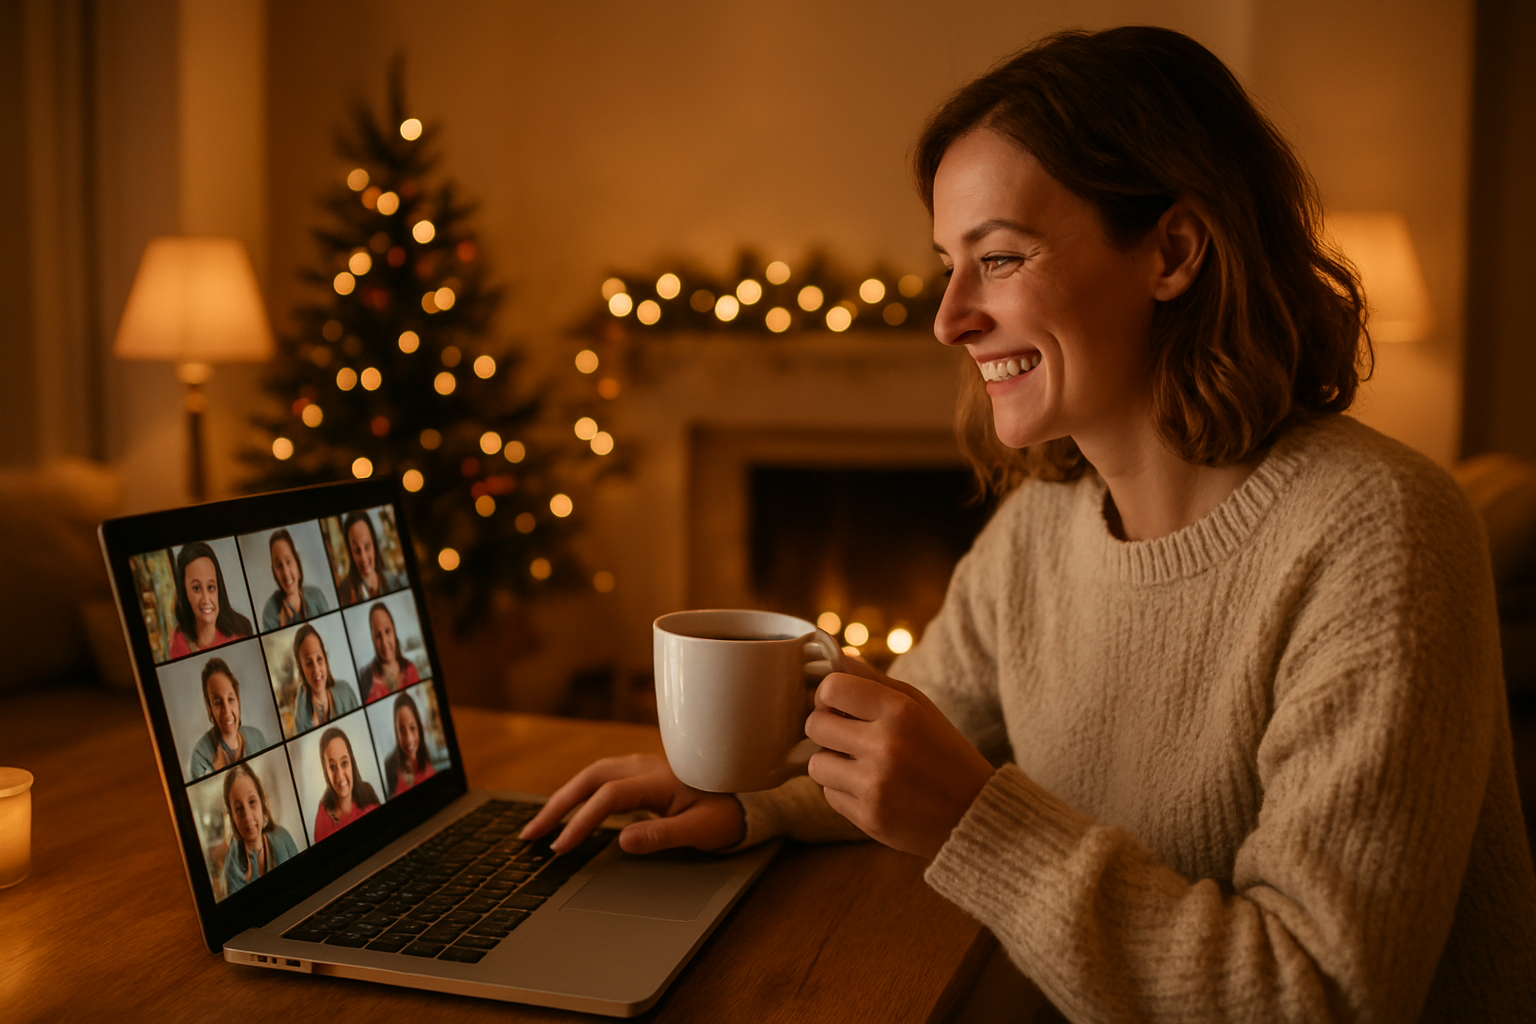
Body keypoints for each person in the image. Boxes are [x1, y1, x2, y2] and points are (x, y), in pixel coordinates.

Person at [519, 26, 1536, 1021]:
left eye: (999, 258)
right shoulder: (1040, 529)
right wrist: (739, 795)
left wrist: (975, 819)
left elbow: (1317, 994)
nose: (950, 316)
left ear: (1173, 250)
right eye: (947, 263)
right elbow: (909, 744)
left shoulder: (1379, 533)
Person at [221, 762, 299, 896]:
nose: (247, 816)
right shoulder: (232, 872)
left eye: (252, 802)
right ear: (232, 816)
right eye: (239, 808)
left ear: (262, 802)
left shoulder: (283, 837)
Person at [168, 541, 253, 658]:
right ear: (185, 592)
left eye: (211, 587)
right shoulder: (178, 642)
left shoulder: (241, 631)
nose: (206, 599)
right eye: (196, 588)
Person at [188, 658, 269, 780]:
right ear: (209, 707)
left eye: (230, 699)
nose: (227, 711)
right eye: (218, 702)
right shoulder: (200, 757)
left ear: (238, 700)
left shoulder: (258, 738)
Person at [312, 727, 381, 842]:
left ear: (352, 763)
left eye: (344, 763)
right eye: (332, 767)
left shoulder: (369, 796)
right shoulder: (323, 818)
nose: (340, 776)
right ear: (326, 771)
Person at [290, 624, 360, 734]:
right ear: (301, 670)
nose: (316, 670)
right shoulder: (301, 715)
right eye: (309, 663)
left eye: (319, 659)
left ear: (325, 659)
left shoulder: (346, 691)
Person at [260, 529, 331, 631]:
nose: (285, 572)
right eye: (279, 565)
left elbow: (331, 631)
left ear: (297, 561)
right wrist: (283, 627)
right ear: (274, 572)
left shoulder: (317, 596)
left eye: (288, 561)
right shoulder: (270, 612)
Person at [335, 511, 405, 605]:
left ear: (374, 544)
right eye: (356, 550)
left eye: (367, 547)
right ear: (350, 553)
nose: (363, 558)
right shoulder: (344, 592)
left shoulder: (394, 582)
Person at [361, 602, 419, 703]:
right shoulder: (366, 680)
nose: (384, 642)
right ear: (373, 639)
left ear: (394, 630)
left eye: (387, 631)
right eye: (378, 635)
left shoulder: (410, 670)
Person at [383, 692, 437, 796]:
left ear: (419, 727)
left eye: (412, 728)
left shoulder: (428, 758)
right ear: (396, 732)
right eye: (402, 731)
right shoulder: (389, 765)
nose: (409, 740)